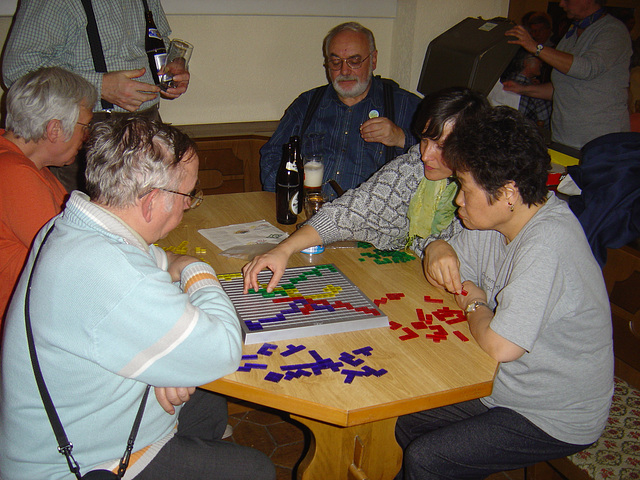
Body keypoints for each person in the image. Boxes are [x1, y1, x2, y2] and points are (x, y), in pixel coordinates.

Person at [0, 117, 275, 480]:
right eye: (188, 195)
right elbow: (225, 345)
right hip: (85, 465)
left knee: (207, 403)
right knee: (255, 470)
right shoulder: (112, 274)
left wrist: (174, 358)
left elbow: (161, 263)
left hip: (89, 425)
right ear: (151, 203)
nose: (189, 204)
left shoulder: (77, 224)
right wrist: (198, 269)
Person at [395, 106, 613, 479]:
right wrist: (437, 248)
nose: (457, 200)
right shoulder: (495, 223)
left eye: (464, 188)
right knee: (405, 421)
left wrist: (473, 300)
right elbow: (450, 269)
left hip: (552, 413)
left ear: (507, 191)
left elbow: (502, 346)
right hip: (501, 385)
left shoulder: (548, 241)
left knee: (428, 457)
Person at [243, 88, 489, 293]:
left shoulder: (490, 194)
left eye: (441, 146)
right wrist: (283, 250)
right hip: (410, 287)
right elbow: (351, 210)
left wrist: (436, 246)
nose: (426, 154)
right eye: (424, 140)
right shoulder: (414, 166)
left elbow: (477, 274)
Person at [2, 0, 190, 191]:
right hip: (88, 131)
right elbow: (18, 69)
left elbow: (160, 41)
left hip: (148, 124)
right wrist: (100, 86)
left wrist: (174, 65)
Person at [260, 22, 421, 200]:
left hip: (369, 220)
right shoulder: (307, 104)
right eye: (336, 62)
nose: (344, 70)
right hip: (309, 213)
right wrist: (288, 199)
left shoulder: (406, 105)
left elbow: (443, 157)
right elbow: (273, 155)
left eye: (354, 61)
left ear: (373, 60)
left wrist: (401, 138)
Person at [0, 66, 96, 323]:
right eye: (84, 127)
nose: (85, 138)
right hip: (22, 325)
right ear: (55, 129)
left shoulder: (26, 165)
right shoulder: (14, 174)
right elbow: (69, 258)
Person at [504, 0, 632, 150]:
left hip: (600, 140)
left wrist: (536, 48)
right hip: (564, 137)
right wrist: (523, 89)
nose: (561, 4)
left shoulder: (613, 30)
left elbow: (587, 68)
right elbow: (563, 88)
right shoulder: (572, 33)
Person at [500, 49, 552, 129]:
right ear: (525, 62)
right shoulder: (535, 94)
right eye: (538, 57)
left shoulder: (500, 83)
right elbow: (546, 123)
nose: (542, 62)